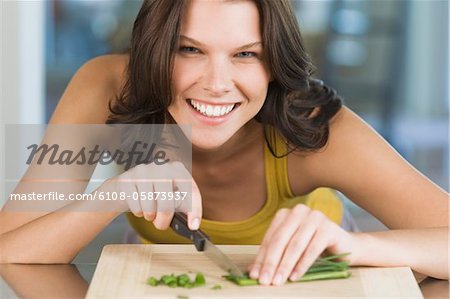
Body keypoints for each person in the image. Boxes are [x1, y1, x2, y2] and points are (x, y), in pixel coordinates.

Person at [0, 0, 448, 287]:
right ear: (154, 50)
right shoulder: (106, 87)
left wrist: (362, 248)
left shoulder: (312, 127)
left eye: (246, 54)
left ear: (274, 65)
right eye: (189, 50)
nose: (216, 84)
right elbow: (9, 250)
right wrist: (112, 196)